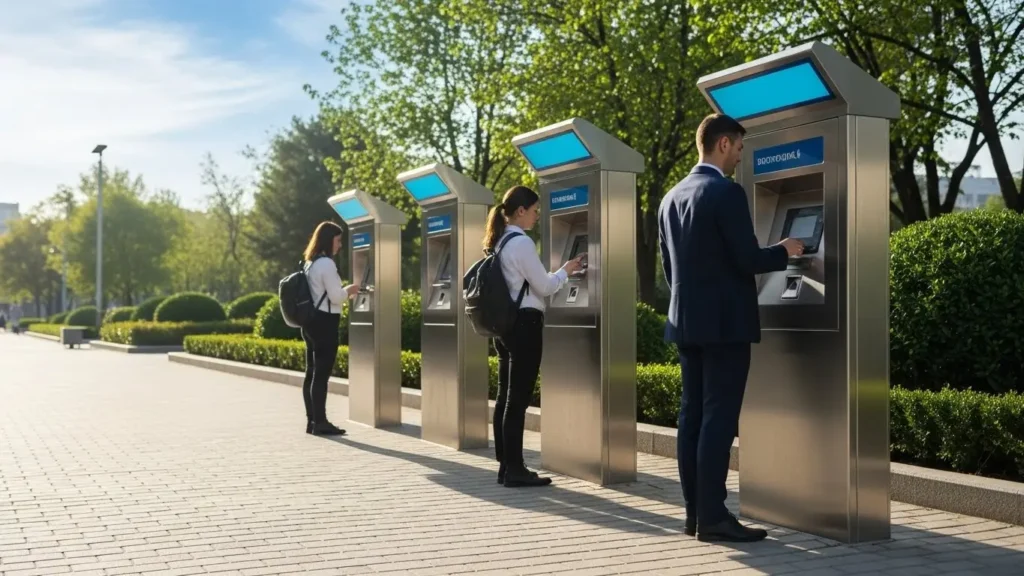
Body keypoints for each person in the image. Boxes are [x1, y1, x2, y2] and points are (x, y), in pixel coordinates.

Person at [657, 113, 804, 542]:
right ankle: (715, 516)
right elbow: (747, 259)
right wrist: (784, 250)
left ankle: (694, 512)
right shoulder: (726, 192)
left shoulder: (671, 198)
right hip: (725, 324)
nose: (740, 156)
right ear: (723, 144)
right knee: (719, 418)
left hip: (685, 321)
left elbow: (670, 269)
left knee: (692, 416)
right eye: (739, 147)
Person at [484, 185, 586, 488]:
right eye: (535, 210)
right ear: (520, 211)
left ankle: (505, 467)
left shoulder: (500, 242)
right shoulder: (521, 243)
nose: (537, 215)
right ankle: (515, 470)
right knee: (517, 401)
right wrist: (566, 270)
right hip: (525, 326)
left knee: (504, 399)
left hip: (504, 328)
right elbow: (544, 286)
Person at [302, 221, 360, 436]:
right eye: (338, 240)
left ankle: (312, 421)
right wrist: (349, 290)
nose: (340, 245)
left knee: (311, 373)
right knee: (321, 375)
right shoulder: (326, 264)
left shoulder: (310, 263)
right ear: (328, 240)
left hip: (310, 323)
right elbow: (335, 296)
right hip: (325, 323)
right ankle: (321, 422)